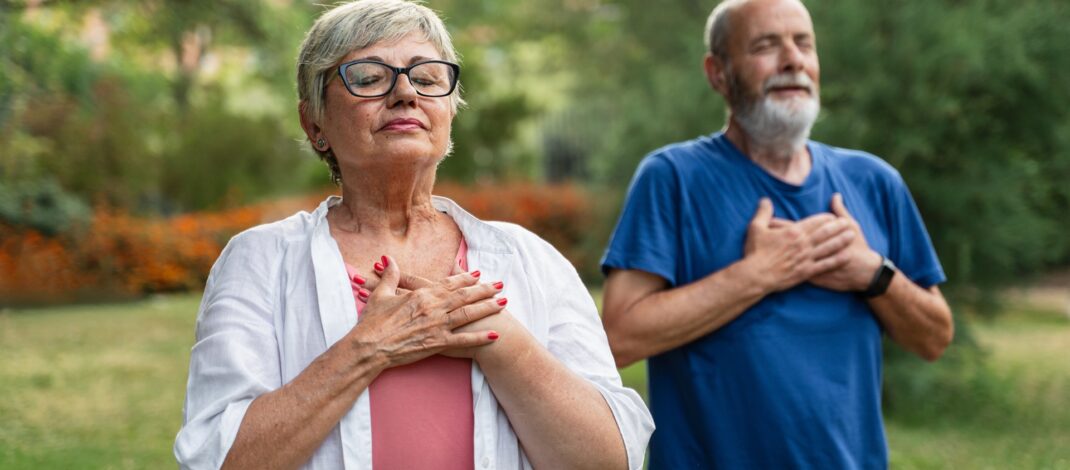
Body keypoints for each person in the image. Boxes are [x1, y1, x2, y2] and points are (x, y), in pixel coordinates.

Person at [174, 1, 653, 469]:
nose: (405, 93)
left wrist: (497, 338)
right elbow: (218, 459)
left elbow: (609, 460)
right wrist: (367, 347)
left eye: (426, 78)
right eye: (367, 77)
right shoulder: (261, 260)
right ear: (314, 122)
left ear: (449, 112)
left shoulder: (529, 258)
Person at [600, 0, 953, 467]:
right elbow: (619, 339)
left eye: (803, 43)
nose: (793, 60)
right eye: (766, 46)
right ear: (718, 73)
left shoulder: (874, 181)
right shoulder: (673, 177)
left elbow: (934, 337)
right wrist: (758, 274)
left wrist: (873, 274)